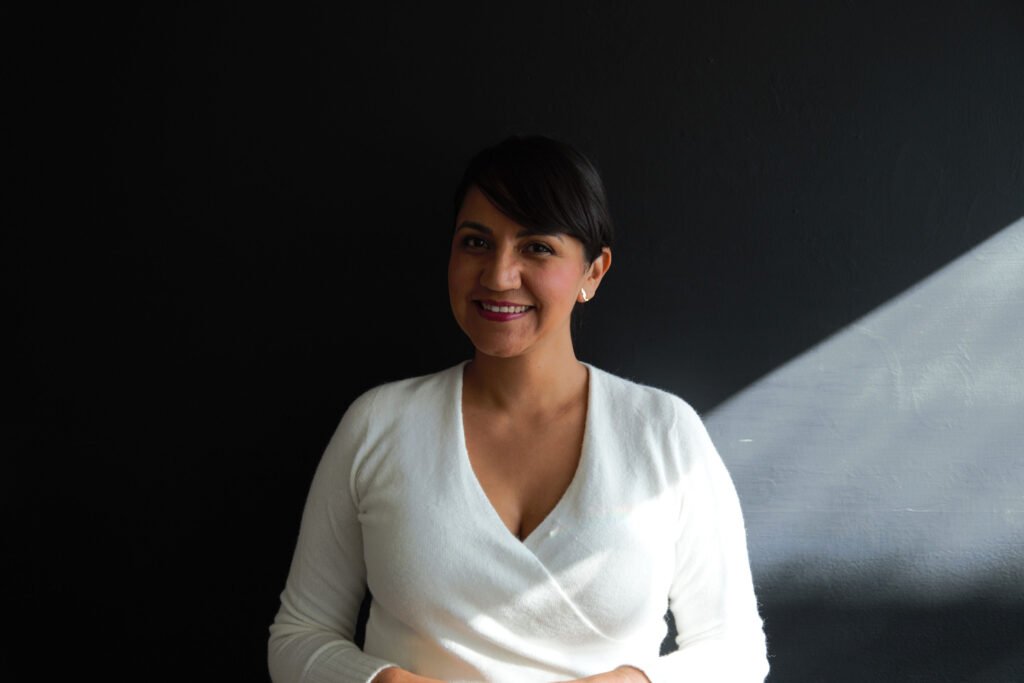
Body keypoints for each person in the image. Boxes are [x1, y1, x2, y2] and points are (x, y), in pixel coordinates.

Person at [268, 136, 769, 683]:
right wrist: (387, 682)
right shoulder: (377, 424)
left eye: (537, 248)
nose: (498, 275)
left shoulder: (664, 432)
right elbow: (298, 636)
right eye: (476, 242)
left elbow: (737, 652)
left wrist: (634, 682)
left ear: (593, 272)